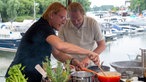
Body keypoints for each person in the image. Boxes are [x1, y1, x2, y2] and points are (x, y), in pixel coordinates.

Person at [5, 2, 100, 82]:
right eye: (62, 17)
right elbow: (61, 46)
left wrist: (74, 61)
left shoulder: (48, 29)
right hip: (19, 75)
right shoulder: (42, 27)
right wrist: (89, 52)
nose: (64, 22)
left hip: (33, 75)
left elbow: (57, 53)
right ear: (51, 15)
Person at [59, 2, 106, 67]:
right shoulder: (63, 25)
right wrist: (69, 61)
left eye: (79, 19)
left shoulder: (92, 23)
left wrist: (88, 59)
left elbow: (102, 45)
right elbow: (60, 48)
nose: (76, 22)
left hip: (90, 63)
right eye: (73, 20)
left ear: (83, 14)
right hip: (71, 63)